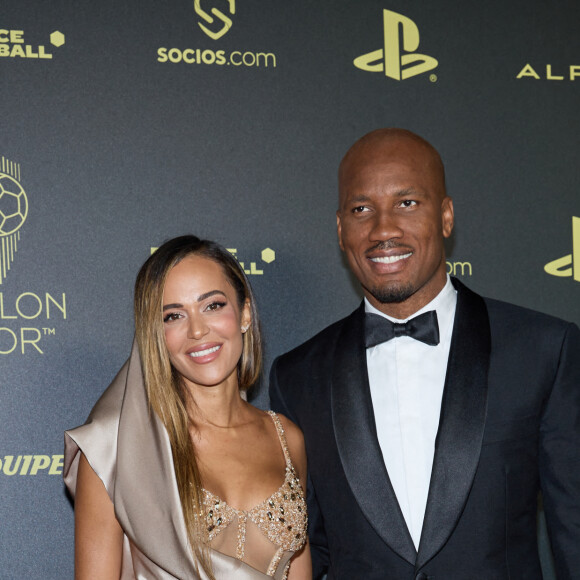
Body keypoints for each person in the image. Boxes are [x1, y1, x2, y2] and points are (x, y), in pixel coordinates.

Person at [269, 128, 580, 579]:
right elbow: (307, 552)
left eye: (407, 203)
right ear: (340, 230)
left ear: (447, 216)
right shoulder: (297, 377)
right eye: (361, 209)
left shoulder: (543, 350)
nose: (383, 229)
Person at [64, 235, 311, 580]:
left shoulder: (287, 437)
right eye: (173, 316)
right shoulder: (116, 450)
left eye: (213, 305)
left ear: (244, 313)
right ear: (155, 335)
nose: (197, 330)